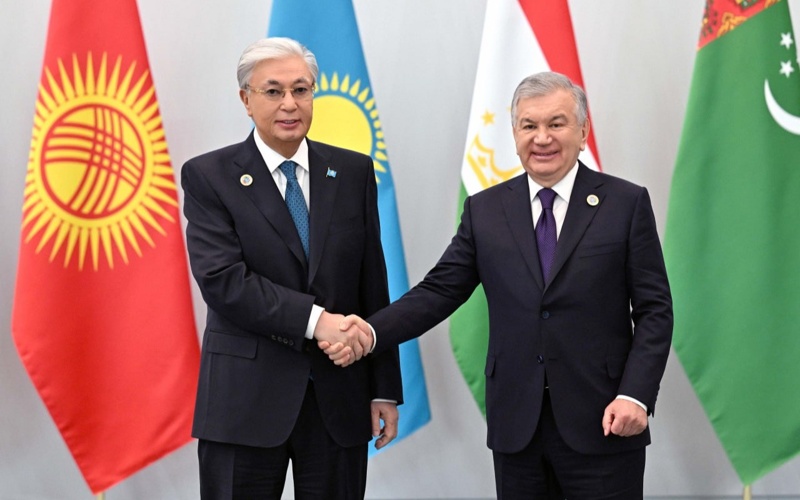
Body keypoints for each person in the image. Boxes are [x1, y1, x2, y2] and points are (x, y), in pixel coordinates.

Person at [328, 72, 673, 499]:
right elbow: (438, 292)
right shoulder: (486, 210)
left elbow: (655, 312)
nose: (542, 137)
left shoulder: (626, 203)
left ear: (583, 131)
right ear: (514, 133)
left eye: (556, 124)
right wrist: (370, 331)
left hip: (605, 419)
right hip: (517, 427)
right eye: (529, 125)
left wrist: (635, 397)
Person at [181, 37, 403, 499]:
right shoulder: (209, 176)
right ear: (246, 99)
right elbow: (224, 282)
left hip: (338, 399)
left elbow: (372, 283)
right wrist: (318, 321)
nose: (290, 104)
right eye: (273, 91)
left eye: (301, 90)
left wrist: (383, 388)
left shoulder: (353, 172)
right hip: (244, 403)